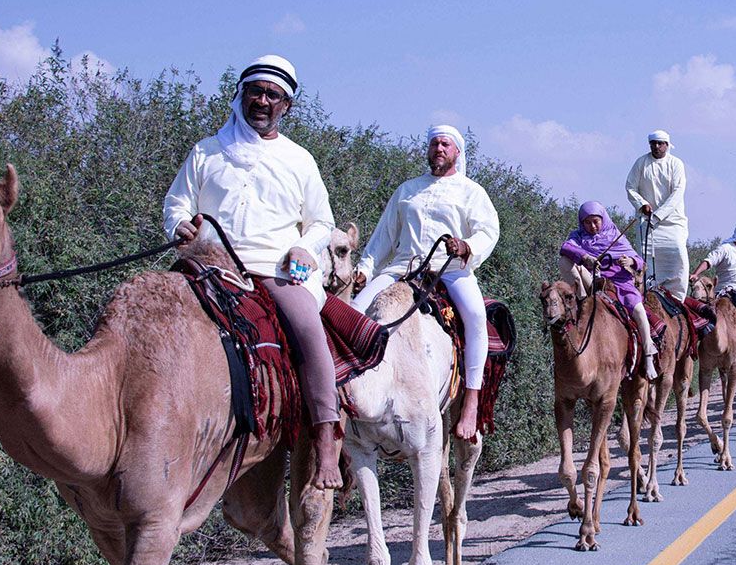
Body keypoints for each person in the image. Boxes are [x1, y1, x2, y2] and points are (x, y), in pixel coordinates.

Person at [163, 54, 342, 490]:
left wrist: (303, 245)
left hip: (272, 267)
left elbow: (321, 221)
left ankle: (325, 439)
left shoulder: (299, 160)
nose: (262, 100)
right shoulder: (207, 151)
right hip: (207, 263)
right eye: (255, 92)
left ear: (287, 106)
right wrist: (179, 225)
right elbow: (177, 203)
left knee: (307, 327)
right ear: (240, 95)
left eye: (272, 95)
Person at [353, 125, 500, 440]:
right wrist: (365, 269)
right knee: (354, 311)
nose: (439, 148)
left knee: (476, 316)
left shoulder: (471, 191)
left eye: (445, 144)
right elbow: (383, 237)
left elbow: (488, 230)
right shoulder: (407, 190)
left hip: (450, 268)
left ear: (457, 152)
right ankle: (348, 398)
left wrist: (467, 246)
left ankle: (471, 400)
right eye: (434, 143)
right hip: (402, 268)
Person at [559, 201, 658, 380]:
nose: (592, 226)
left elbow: (640, 262)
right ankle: (582, 297)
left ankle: (649, 356)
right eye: (587, 223)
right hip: (595, 281)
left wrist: (631, 262)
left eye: (596, 221)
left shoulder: (616, 236)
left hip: (620, 283)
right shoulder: (578, 236)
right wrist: (585, 257)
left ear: (603, 219)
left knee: (638, 310)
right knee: (564, 261)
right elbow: (565, 247)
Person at [624, 130, 689, 296]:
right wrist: (642, 204)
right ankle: (649, 297)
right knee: (646, 263)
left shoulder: (676, 164)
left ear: (667, 145)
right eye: (653, 143)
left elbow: (677, 192)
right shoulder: (641, 163)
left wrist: (658, 215)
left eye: (660, 143)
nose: (657, 146)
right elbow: (630, 187)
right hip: (646, 223)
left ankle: (677, 300)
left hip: (672, 223)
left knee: (679, 258)